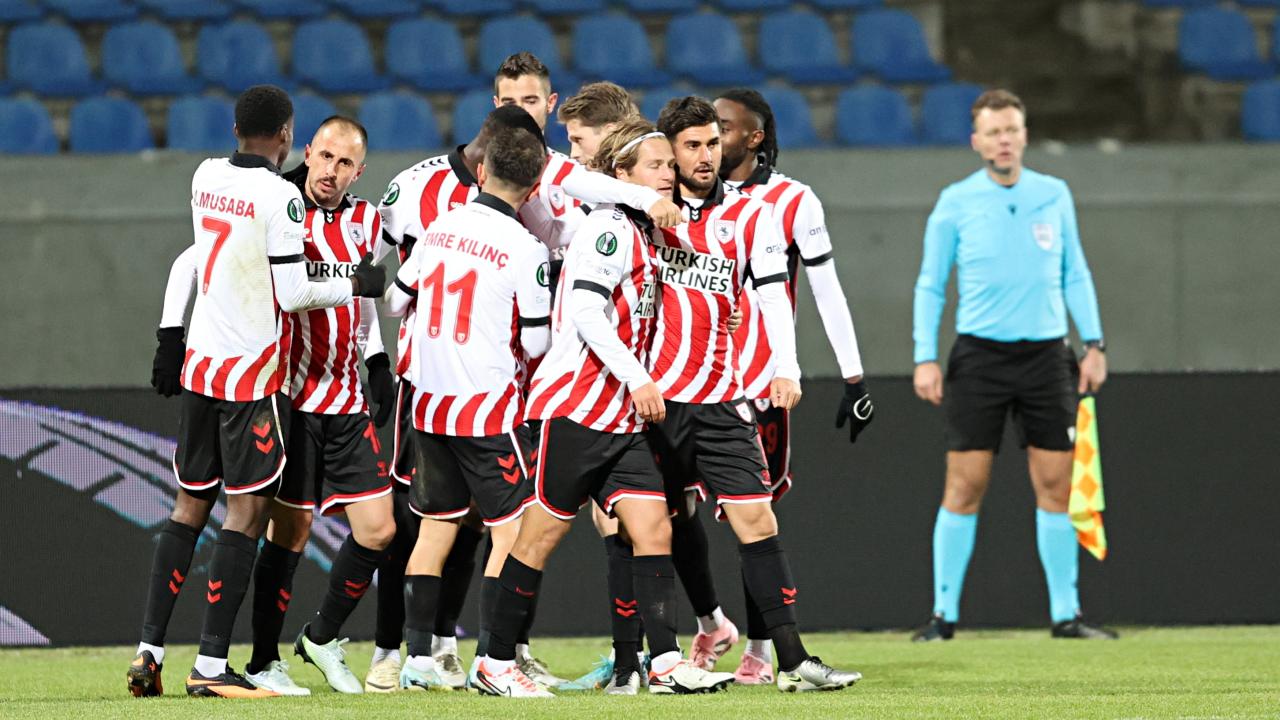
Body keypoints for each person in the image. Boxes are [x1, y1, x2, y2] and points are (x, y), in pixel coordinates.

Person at [131, 85, 385, 699]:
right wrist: (355, 283)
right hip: (254, 377)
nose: (330, 169)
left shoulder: (205, 174)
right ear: (292, 139)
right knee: (247, 515)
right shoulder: (281, 198)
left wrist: (170, 336)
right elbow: (293, 293)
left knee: (188, 509)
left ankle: (149, 652)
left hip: (201, 369)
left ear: (235, 128)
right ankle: (212, 665)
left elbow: (199, 256)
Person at [480, 119, 736, 697]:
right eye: (655, 165)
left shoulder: (643, 231)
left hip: (620, 417)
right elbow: (586, 312)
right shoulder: (609, 228)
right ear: (622, 174)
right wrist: (639, 379)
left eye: (669, 164)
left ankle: (665, 664)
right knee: (537, 540)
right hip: (577, 409)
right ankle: (494, 664)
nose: (668, 174)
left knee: (653, 528)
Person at [649, 96, 862, 692]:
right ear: (670, 151)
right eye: (692, 145)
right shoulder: (643, 212)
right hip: (656, 401)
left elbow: (772, 294)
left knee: (758, 519)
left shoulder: (753, 215)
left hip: (723, 397)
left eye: (712, 143)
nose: (705, 156)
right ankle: (652, 660)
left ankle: (790, 660)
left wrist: (785, 368)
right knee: (650, 527)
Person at [910, 89, 1115, 642]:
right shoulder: (955, 201)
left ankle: (1066, 615)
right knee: (965, 485)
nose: (1004, 140)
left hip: (1047, 357)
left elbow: (1076, 271)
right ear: (976, 142)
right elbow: (931, 283)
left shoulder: (1054, 193)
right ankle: (943, 615)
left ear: (1024, 136)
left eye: (1012, 130)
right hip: (980, 358)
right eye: (993, 132)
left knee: (1056, 484)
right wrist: (925, 356)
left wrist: (1093, 343)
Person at [382, 123, 553, 693]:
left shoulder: (439, 227)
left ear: (481, 171)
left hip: (429, 404)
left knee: (434, 531)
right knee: (513, 534)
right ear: (534, 188)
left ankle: (417, 661)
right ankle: (494, 663)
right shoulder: (527, 249)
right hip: (486, 409)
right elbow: (536, 343)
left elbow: (395, 301)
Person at [714, 88, 874, 683]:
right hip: (688, 382)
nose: (712, 138)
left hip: (760, 385)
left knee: (757, 519)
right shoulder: (683, 196)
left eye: (724, 127)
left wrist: (852, 375)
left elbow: (827, 290)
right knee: (665, 516)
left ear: (755, 137)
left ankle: (760, 649)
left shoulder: (794, 200)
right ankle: (686, 635)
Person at [240, 116, 398, 695]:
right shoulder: (280, 211)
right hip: (292, 399)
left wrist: (377, 360)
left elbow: (363, 295)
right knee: (291, 532)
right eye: (325, 156)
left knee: (379, 530)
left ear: (360, 171)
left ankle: (321, 636)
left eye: (345, 162)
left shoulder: (366, 221)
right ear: (307, 152)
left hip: (348, 399)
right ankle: (262, 660)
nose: (331, 170)